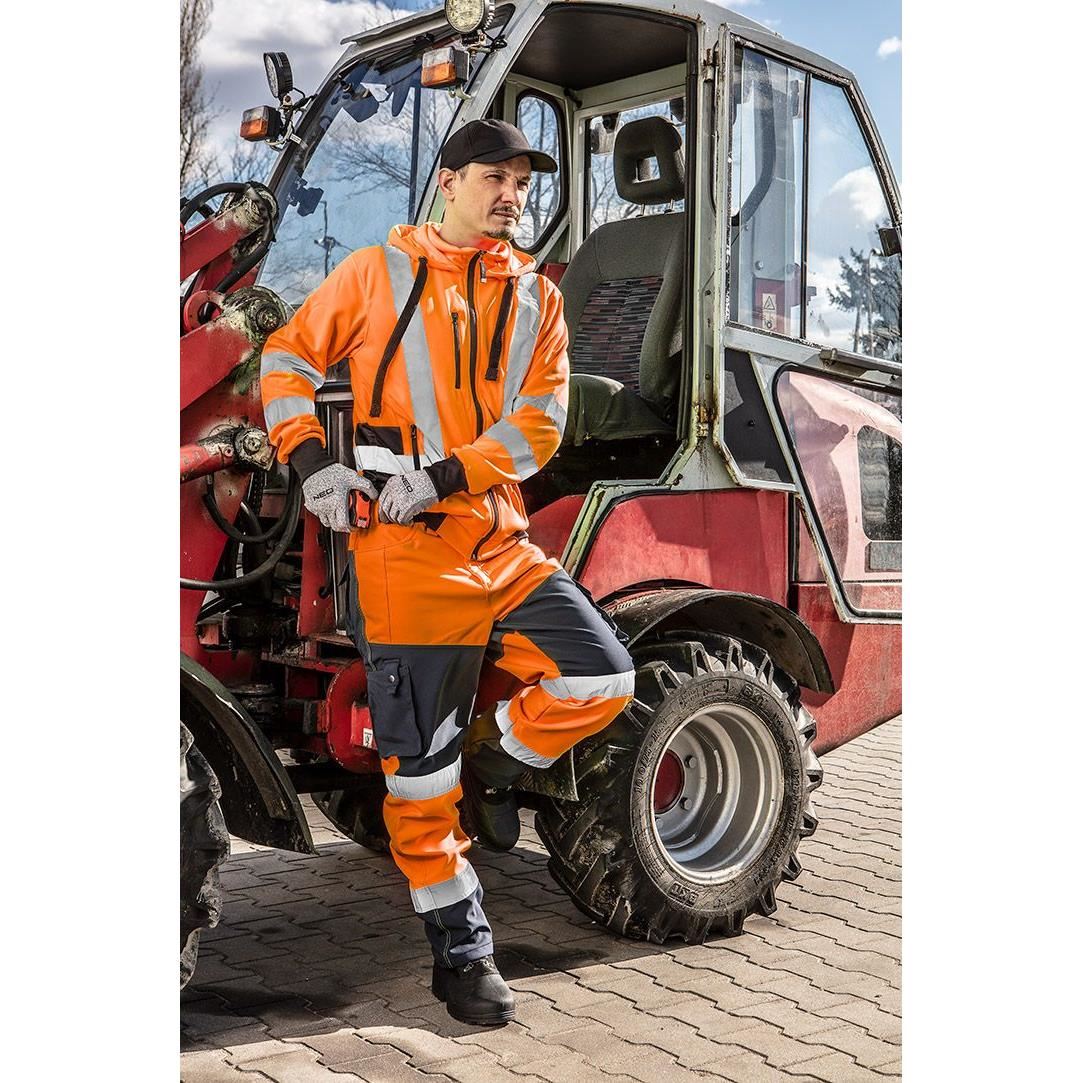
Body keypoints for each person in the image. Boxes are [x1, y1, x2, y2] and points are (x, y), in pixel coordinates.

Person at [260, 119, 634, 1026]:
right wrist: (312, 464)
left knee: (602, 676)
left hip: (497, 541)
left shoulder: (538, 298)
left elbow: (539, 423)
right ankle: (463, 954)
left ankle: (492, 762)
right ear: (449, 182)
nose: (512, 195)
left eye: (522, 182)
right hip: (405, 558)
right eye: (495, 178)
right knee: (418, 790)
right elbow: (287, 358)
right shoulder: (373, 273)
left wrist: (445, 475)